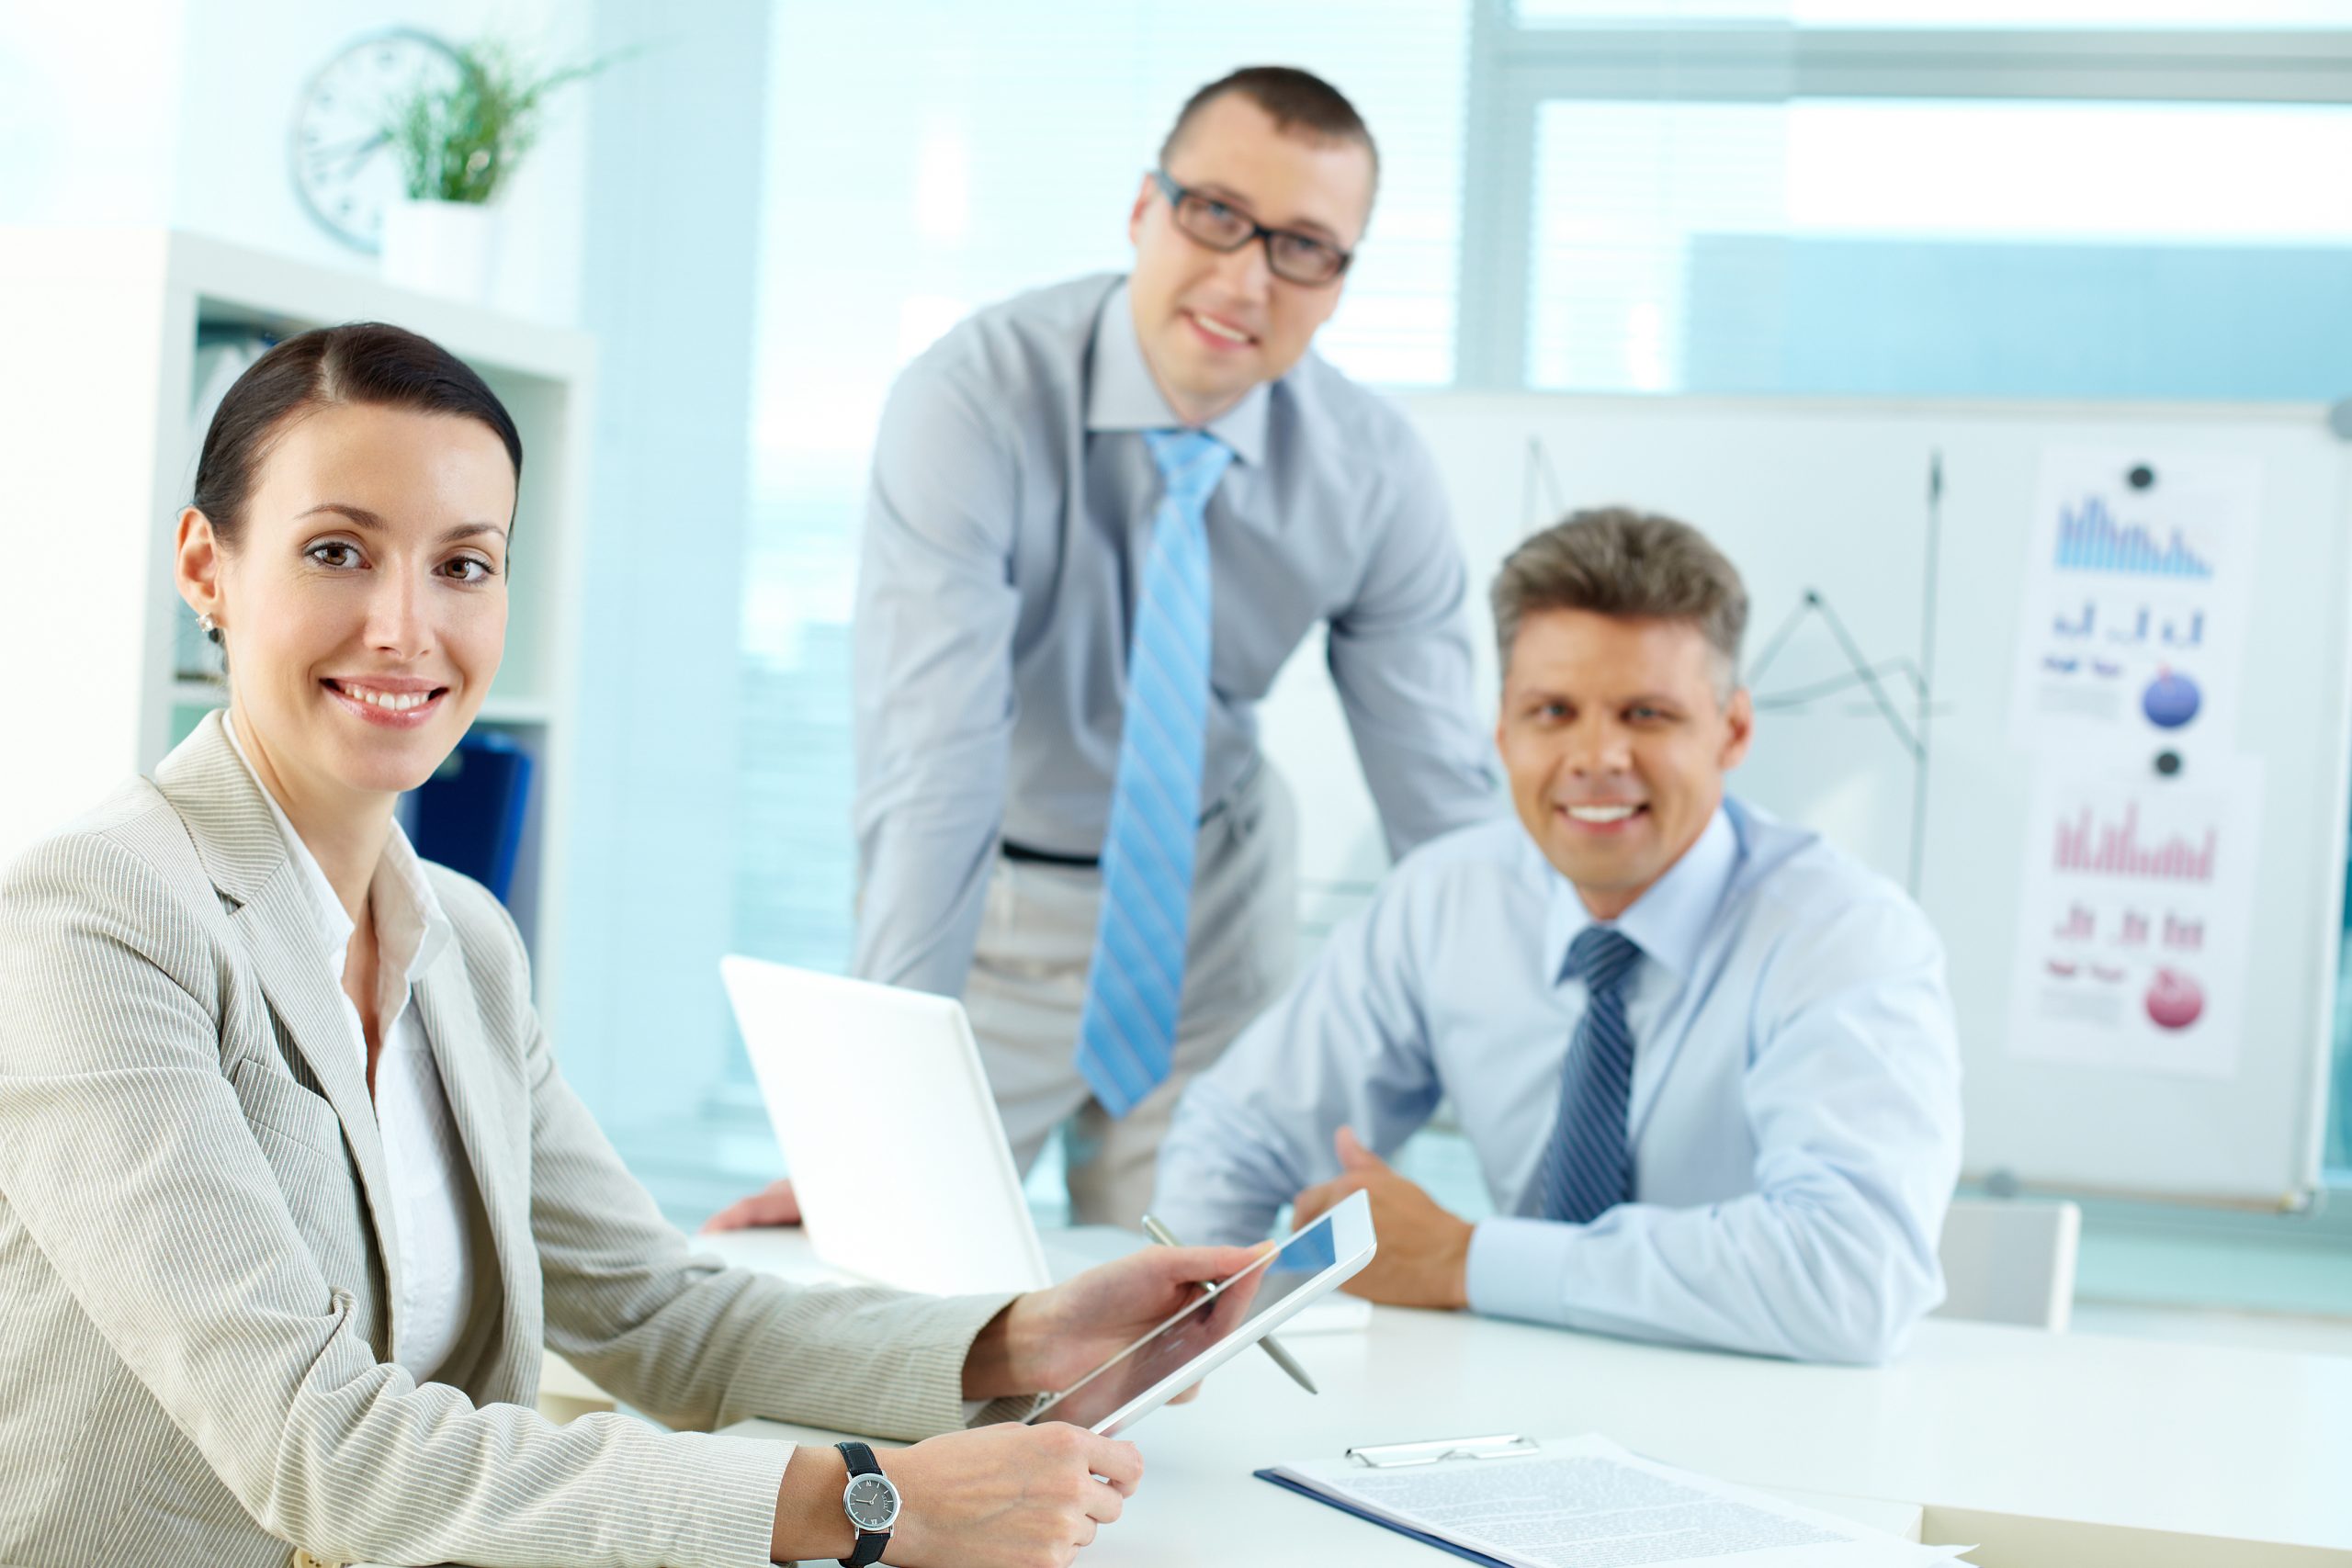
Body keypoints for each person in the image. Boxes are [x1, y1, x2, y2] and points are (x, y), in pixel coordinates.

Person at [0, 323, 1266, 1568]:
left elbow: (658, 1309)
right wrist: (875, 1501)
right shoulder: (93, 920)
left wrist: (1025, 1337)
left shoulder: (465, 942)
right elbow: (316, 1439)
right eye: (338, 550)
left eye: (463, 565)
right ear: (206, 567)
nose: (403, 627)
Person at [708, 65, 1499, 1235]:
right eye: (1215, 215)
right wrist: (864, 1129)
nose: (1245, 279)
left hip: (1213, 918)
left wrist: (1530, 1122)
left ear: (1338, 283)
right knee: (889, 1272)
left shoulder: (1373, 474)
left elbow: (1445, 817)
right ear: (1144, 208)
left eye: (1303, 249)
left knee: (1187, 1309)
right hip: (992, 912)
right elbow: (935, 770)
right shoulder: (972, 399)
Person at [1150, 508, 1963, 1365]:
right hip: (1502, 1409)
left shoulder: (1842, 938)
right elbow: (1239, 1135)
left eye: (1647, 713)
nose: (1598, 755)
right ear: (1502, 729)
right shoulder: (1447, 897)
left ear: (1732, 730)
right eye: (1553, 711)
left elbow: (1851, 1275)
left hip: (1762, 1419)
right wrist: (1182, 1334)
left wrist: (1468, 1261)